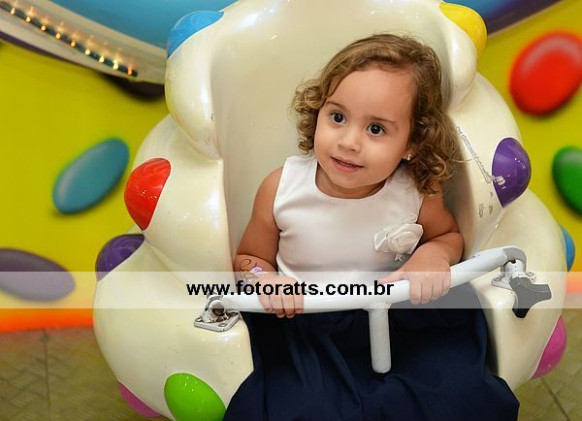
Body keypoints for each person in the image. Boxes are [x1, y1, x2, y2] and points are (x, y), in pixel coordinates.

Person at [224, 34, 518, 421]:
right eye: (337, 117)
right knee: (303, 410)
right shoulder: (281, 188)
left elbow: (448, 236)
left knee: (459, 396)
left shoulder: (415, 191)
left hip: (399, 319)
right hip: (309, 326)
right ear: (319, 112)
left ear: (412, 143)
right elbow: (249, 258)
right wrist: (267, 281)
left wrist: (432, 255)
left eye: (376, 129)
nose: (349, 142)